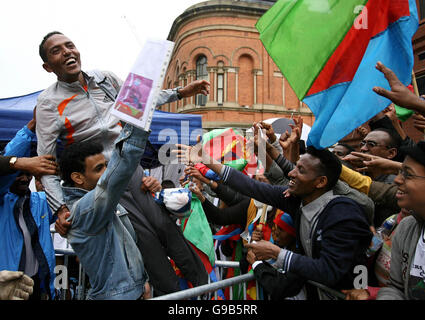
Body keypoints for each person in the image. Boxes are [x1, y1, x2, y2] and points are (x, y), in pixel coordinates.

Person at [38, 31, 209, 296]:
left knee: (166, 228)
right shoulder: (48, 103)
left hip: (133, 168)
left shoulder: (104, 78)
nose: (67, 52)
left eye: (70, 45)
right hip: (103, 182)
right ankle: (173, 298)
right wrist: (59, 207)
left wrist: (179, 93)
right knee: (146, 241)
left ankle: (205, 290)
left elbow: (141, 98)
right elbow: (46, 163)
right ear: (48, 67)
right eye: (57, 51)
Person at [176, 143, 372, 300]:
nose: (291, 173)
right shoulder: (297, 200)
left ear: (320, 182)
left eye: (301, 171)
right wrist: (206, 160)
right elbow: (250, 187)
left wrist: (277, 253)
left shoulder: (343, 214)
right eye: (295, 166)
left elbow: (329, 271)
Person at [58, 124, 151, 300]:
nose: (107, 172)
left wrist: (141, 283)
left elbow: (128, 246)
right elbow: (121, 168)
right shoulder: (84, 210)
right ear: (78, 177)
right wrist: (139, 119)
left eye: (107, 165)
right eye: (99, 168)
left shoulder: (105, 204)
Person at [0, 118, 57, 299]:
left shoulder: (39, 202)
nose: (24, 179)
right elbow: (6, 166)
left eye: (28, 175)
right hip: (6, 288)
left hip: (36, 288)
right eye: (19, 174)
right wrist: (30, 128)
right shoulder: (2, 200)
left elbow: (75, 193)